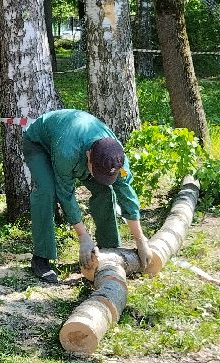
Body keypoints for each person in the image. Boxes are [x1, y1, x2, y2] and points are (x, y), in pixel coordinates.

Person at [22, 109, 151, 284]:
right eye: (97, 172)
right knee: (47, 191)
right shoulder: (67, 152)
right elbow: (65, 194)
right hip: (40, 144)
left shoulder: (116, 158)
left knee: (104, 190)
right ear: (89, 156)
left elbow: (126, 194)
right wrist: (83, 237)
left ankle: (109, 250)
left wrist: (140, 239)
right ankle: (40, 258)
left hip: (76, 148)